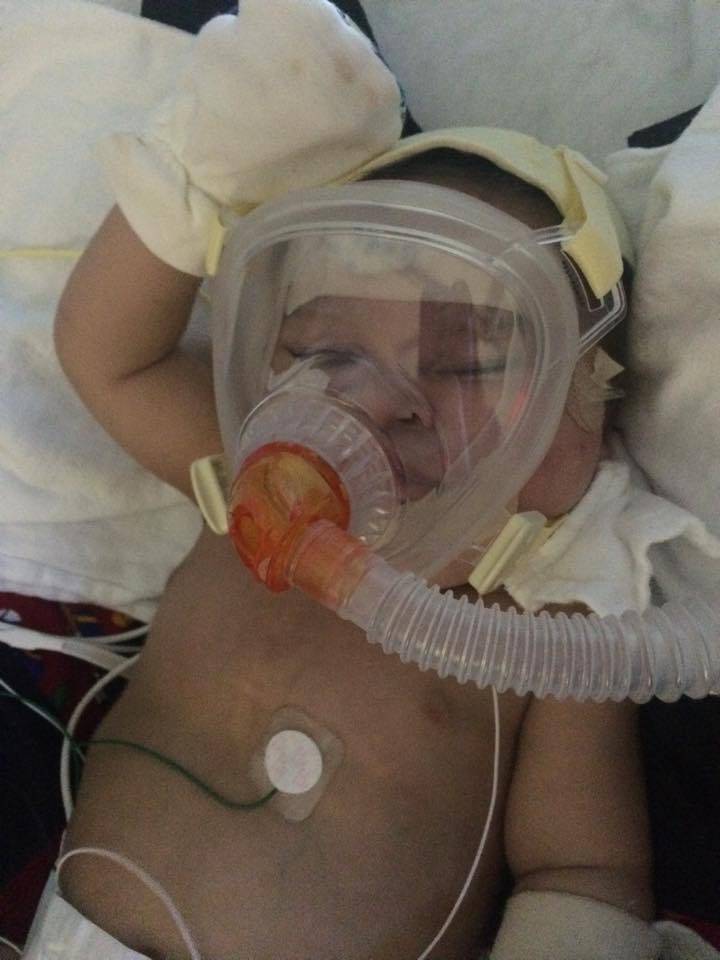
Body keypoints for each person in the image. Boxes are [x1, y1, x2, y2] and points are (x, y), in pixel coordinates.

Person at [25, 2, 709, 958]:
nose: (381, 404)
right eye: (325, 352)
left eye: (469, 361)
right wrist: (207, 167)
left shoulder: (559, 627)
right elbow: (107, 355)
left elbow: (582, 869)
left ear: (596, 397)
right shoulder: (253, 488)